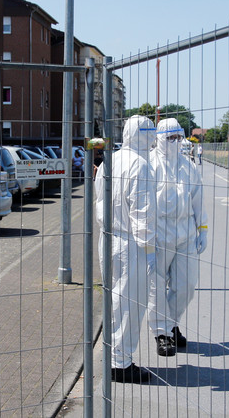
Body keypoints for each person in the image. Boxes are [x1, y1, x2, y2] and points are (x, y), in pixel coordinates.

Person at [94, 115, 157, 383]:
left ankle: (113, 355)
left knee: (115, 300)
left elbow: (99, 198)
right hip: (130, 242)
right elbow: (142, 213)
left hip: (108, 237)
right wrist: (149, 249)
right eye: (150, 133)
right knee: (131, 303)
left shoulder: (111, 160)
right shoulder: (140, 165)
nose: (153, 139)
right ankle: (120, 363)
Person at [147, 118, 209, 356]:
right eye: (169, 138)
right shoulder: (149, 164)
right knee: (156, 285)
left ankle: (171, 323)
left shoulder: (188, 166)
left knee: (186, 285)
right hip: (159, 230)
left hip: (185, 230)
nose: (174, 142)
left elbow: (198, 199)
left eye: (177, 137)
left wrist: (203, 229)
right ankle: (162, 333)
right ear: (159, 138)